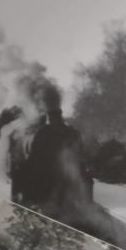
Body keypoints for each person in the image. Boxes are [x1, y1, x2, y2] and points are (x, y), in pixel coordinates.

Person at [18, 83, 88, 214]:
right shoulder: (70, 133)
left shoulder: (42, 134)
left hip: (49, 180)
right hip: (61, 181)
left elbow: (33, 161)